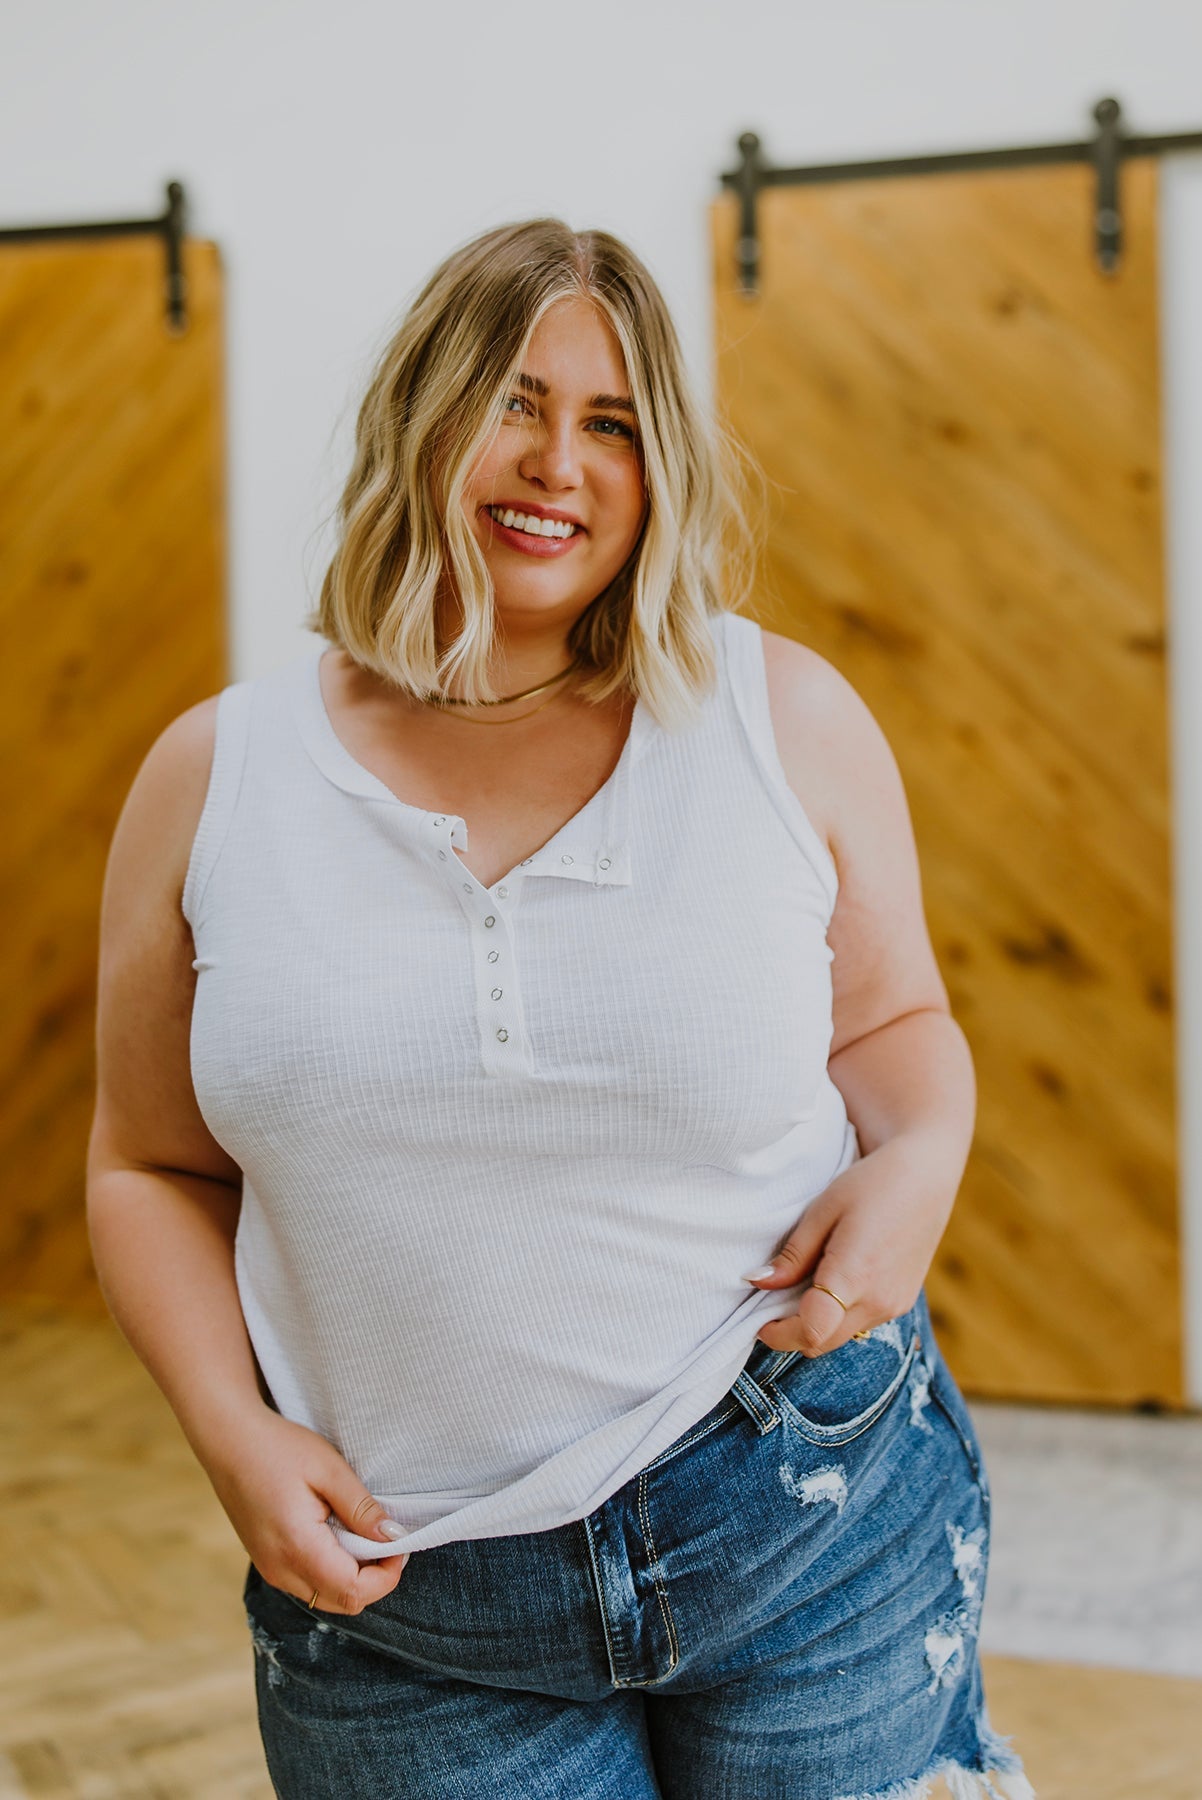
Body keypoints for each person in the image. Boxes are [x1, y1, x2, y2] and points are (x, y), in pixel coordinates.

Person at [86, 218, 1034, 1800]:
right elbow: (148, 1167)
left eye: (612, 425)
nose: (557, 464)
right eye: (513, 402)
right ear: (423, 416)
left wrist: (919, 1166)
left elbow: (891, 1032)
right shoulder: (216, 776)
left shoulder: (775, 716)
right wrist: (227, 1434)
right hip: (406, 1594)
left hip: (808, 1508)